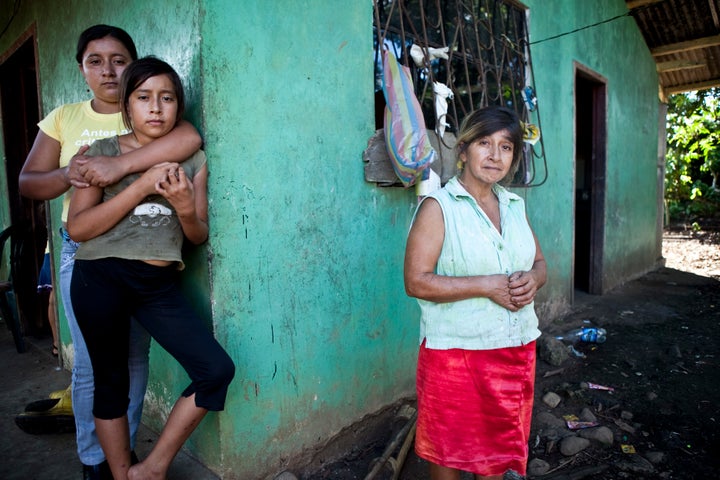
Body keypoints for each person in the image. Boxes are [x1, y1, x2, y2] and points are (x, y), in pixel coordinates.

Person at [18, 24, 202, 479]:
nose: (108, 70)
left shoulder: (159, 113)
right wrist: (78, 172)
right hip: (87, 254)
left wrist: (120, 167)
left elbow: (188, 142)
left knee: (134, 360)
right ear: (81, 69)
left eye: (119, 60)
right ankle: (96, 461)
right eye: (95, 61)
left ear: (133, 65)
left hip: (148, 264)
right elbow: (30, 184)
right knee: (95, 369)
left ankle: (126, 456)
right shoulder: (66, 118)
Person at [68, 56, 235, 480]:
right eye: (144, 98)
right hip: (100, 276)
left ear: (179, 106)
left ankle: (152, 469)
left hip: (156, 284)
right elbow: (79, 228)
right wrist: (142, 185)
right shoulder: (102, 154)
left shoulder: (193, 160)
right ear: (127, 106)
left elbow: (197, 235)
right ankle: (121, 474)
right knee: (111, 382)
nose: (156, 108)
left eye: (167, 98)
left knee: (215, 370)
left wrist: (183, 208)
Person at [403, 105, 547, 480]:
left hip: (515, 350)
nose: (495, 155)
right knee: (448, 455)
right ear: (464, 150)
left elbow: (540, 263)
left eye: (506, 146)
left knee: (497, 458)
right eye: (485, 143)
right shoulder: (439, 208)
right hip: (456, 356)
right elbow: (416, 281)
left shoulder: (515, 207)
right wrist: (487, 285)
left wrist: (535, 278)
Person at [37, 242, 59, 357]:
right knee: (54, 296)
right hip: (54, 248)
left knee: (54, 296)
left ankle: (56, 343)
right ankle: (56, 342)